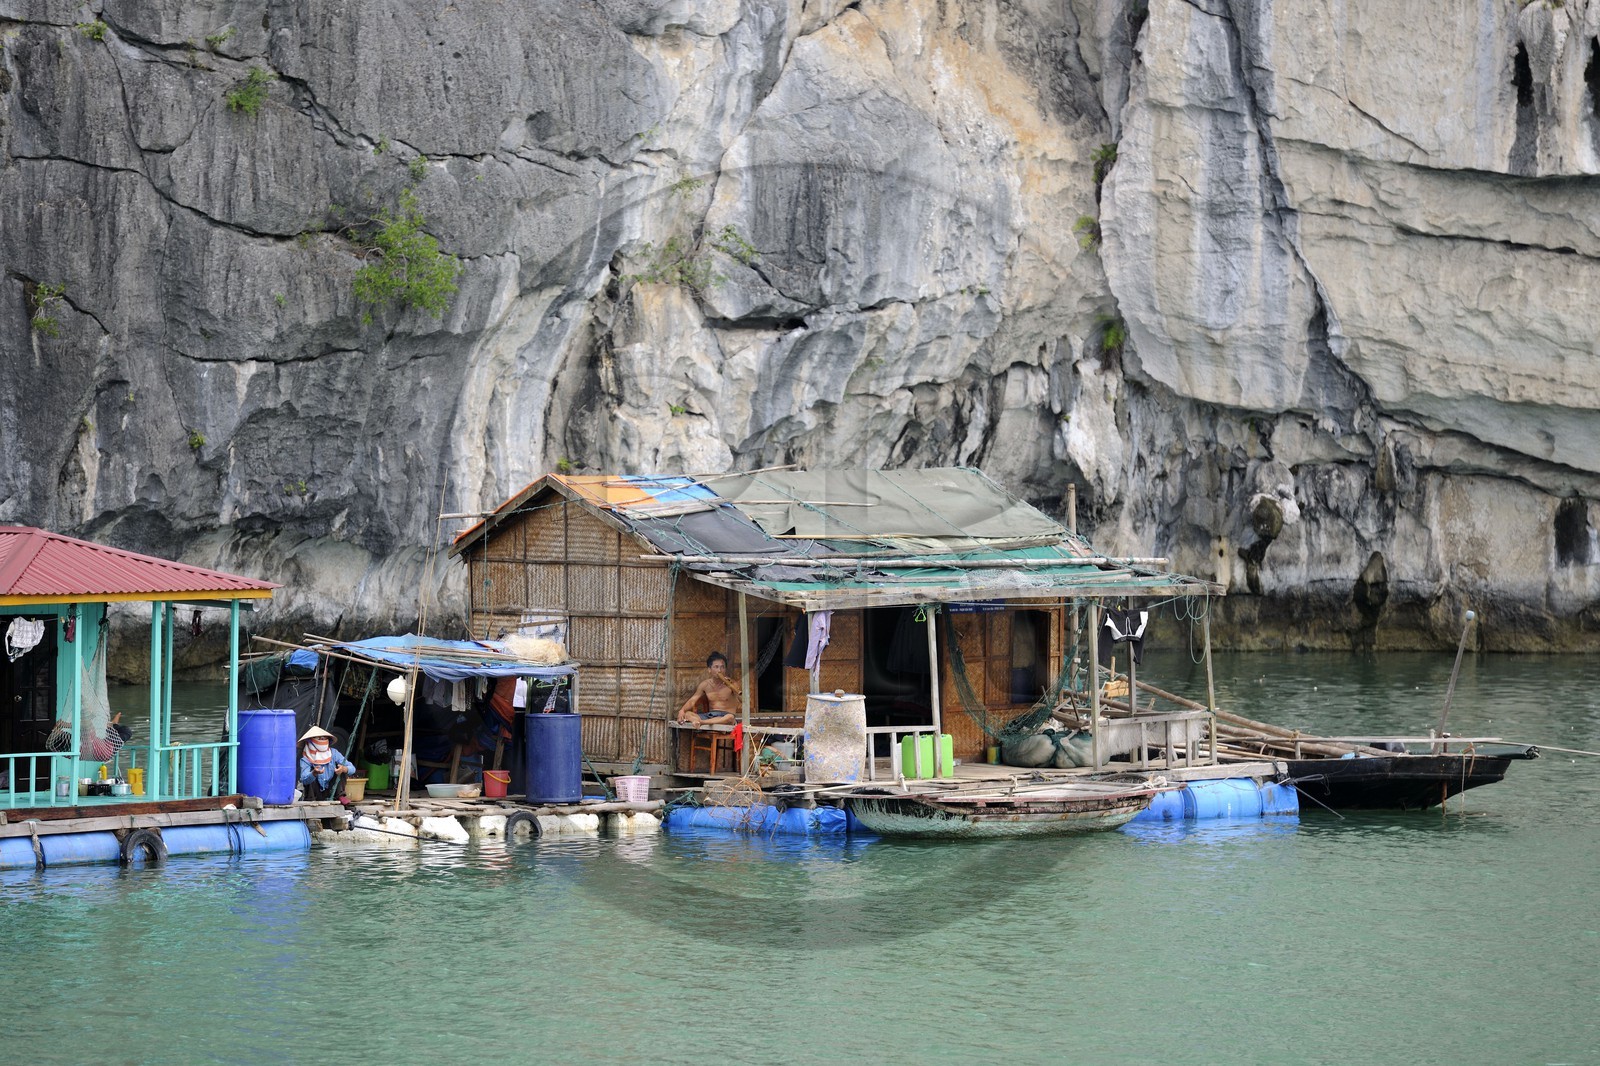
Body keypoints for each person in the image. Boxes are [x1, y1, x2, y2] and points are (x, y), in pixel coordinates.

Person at [676, 651, 740, 726]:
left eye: (722, 667)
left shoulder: (732, 683)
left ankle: (700, 722)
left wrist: (732, 688)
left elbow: (743, 700)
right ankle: (699, 721)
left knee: (730, 717)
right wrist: (682, 710)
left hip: (725, 716)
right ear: (709, 670)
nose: (719, 670)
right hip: (709, 716)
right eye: (716, 667)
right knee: (688, 714)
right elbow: (692, 701)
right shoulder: (705, 685)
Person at [297, 725, 356, 801]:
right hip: (315, 792)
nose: (322, 740)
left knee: (343, 769)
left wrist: (344, 769)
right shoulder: (306, 759)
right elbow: (304, 779)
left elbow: (352, 768)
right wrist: (314, 773)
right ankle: (311, 800)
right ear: (310, 741)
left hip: (331, 790)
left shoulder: (334, 753)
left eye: (324, 738)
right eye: (318, 738)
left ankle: (340, 796)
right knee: (310, 775)